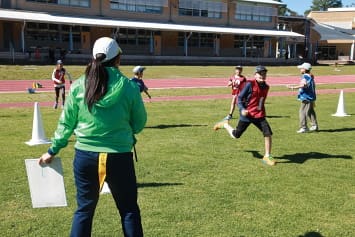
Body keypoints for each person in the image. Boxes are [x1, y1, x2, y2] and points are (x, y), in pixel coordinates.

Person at [39, 37, 147, 237]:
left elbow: (66, 123)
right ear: (118, 59)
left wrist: (52, 150)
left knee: (84, 210)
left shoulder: (79, 85)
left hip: (86, 157)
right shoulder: (129, 87)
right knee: (129, 210)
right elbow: (140, 123)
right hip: (119, 156)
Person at [214, 65, 275, 166]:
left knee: (267, 133)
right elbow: (239, 98)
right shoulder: (249, 84)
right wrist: (242, 109)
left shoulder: (267, 87)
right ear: (255, 75)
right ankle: (225, 125)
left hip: (259, 115)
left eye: (264, 74)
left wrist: (261, 111)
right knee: (236, 135)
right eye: (260, 74)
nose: (262, 76)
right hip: (247, 114)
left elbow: (261, 101)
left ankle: (267, 156)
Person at [287, 62, 318, 133]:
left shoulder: (305, 76)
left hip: (306, 97)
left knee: (302, 112)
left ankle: (303, 127)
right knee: (310, 111)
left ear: (305, 69)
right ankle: (314, 125)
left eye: (301, 68)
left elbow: (303, 85)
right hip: (311, 97)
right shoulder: (310, 76)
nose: (300, 69)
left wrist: (292, 87)